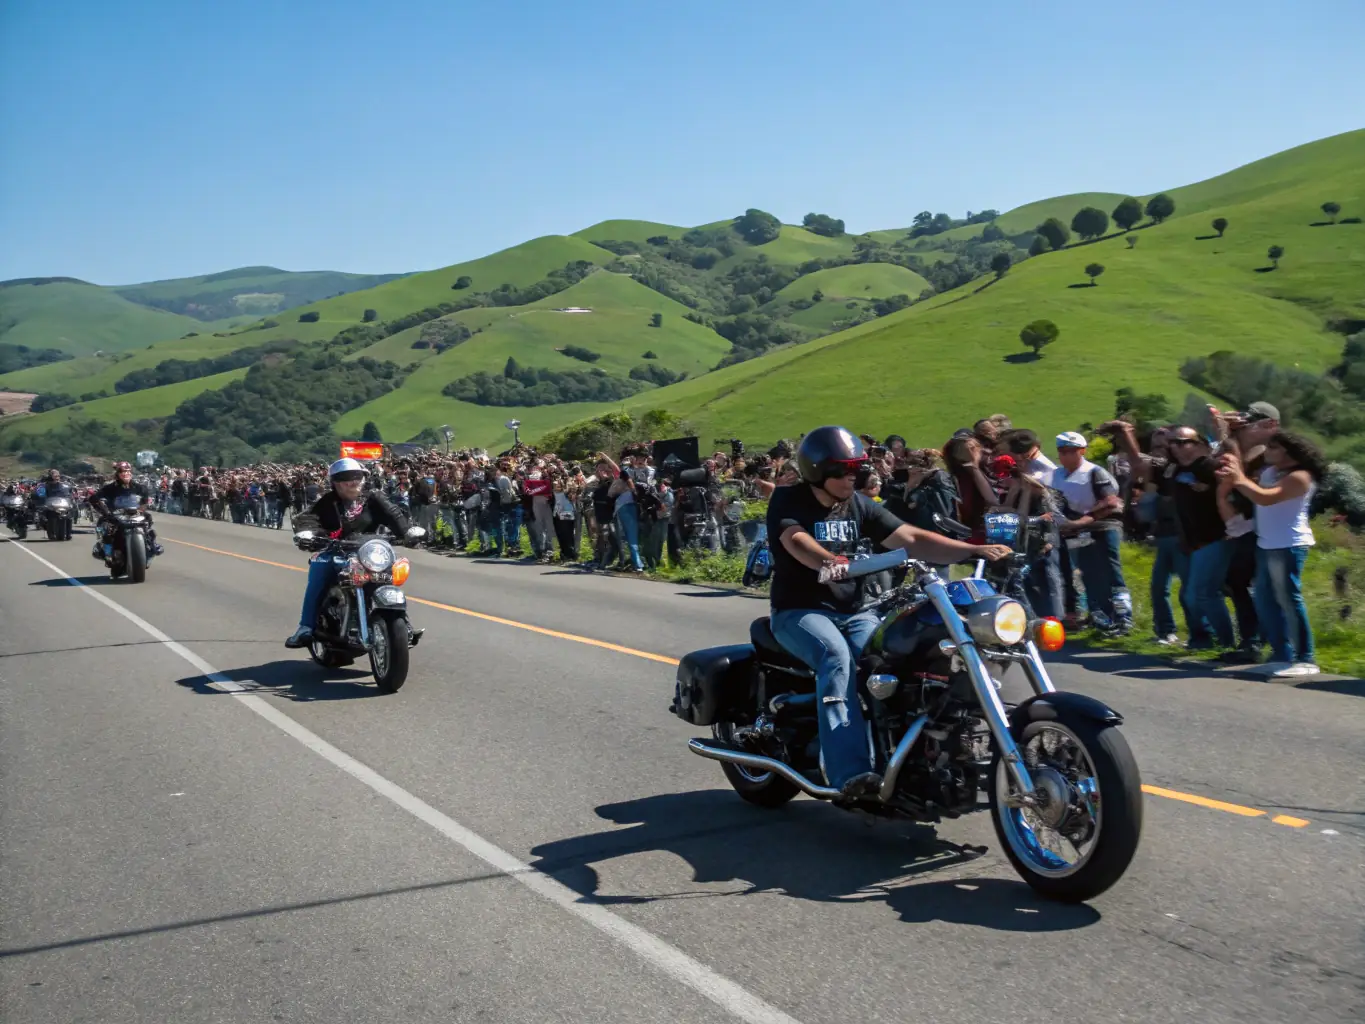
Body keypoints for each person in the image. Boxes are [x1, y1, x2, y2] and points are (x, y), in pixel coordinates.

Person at [766, 426, 1011, 801]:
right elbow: (796, 542)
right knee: (836, 657)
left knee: (894, 660)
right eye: (843, 471)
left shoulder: (858, 504)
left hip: (856, 610)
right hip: (800, 612)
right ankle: (849, 773)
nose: (853, 477)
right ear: (818, 471)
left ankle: (908, 756)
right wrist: (832, 562)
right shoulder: (788, 500)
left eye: (857, 470)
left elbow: (910, 538)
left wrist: (973, 550)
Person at [1218, 432, 1324, 677]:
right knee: (1265, 600)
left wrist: (1239, 478)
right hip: (1267, 544)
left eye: (1273, 448)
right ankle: (1281, 655)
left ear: (1287, 452)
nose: (1267, 451)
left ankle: (1305, 658)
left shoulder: (1300, 477)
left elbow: (1265, 499)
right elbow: (1254, 487)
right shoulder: (1269, 472)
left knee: (1288, 599)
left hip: (1288, 545)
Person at [285, 458, 413, 649]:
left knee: (389, 574)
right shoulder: (327, 502)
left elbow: (393, 514)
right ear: (335, 482)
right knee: (318, 571)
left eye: (357, 476)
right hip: (337, 550)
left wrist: (408, 532)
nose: (353, 481)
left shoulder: (374, 497)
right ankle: (306, 627)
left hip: (370, 551)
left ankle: (402, 623)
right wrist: (309, 534)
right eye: (346, 477)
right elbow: (308, 517)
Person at [1051, 432, 1132, 634]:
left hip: (1103, 528)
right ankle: (1100, 616)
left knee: (1111, 572)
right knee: (1087, 573)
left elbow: (1111, 502)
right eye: (1062, 451)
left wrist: (1083, 519)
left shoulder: (1094, 472)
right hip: (1076, 532)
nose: (1065, 455)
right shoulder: (1057, 475)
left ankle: (1123, 618)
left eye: (1071, 451)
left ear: (1082, 451)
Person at [90, 461, 162, 557]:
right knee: (104, 524)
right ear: (118, 474)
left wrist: (141, 510)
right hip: (116, 514)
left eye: (128, 471)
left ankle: (151, 544)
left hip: (134, 513)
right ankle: (105, 548)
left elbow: (144, 500)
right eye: (123, 471)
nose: (126, 474)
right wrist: (105, 512)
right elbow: (94, 498)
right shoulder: (110, 488)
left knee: (148, 519)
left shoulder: (139, 487)